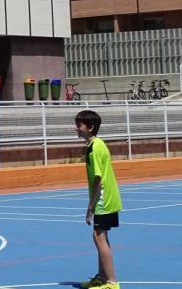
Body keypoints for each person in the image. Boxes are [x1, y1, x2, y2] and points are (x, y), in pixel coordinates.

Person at [76, 110, 122, 289]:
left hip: (104, 199)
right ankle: (103, 278)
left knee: (98, 236)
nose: (77, 129)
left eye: (79, 125)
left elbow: (97, 178)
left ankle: (111, 282)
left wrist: (91, 206)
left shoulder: (95, 149)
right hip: (108, 197)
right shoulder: (98, 145)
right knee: (101, 236)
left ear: (90, 127)